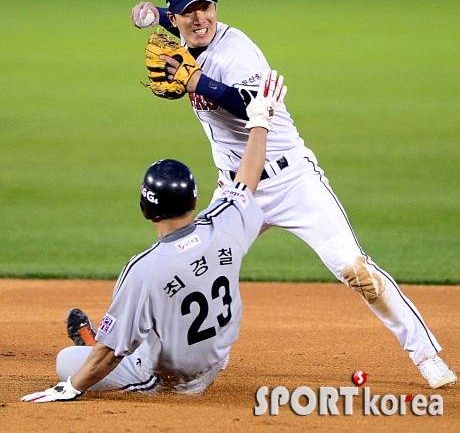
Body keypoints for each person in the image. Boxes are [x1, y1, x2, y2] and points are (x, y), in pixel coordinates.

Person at [128, 0, 456, 390]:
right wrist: (150, 14)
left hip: (292, 181)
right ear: (175, 18)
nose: (199, 18)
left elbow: (252, 106)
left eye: (205, 7)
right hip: (238, 189)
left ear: (216, 8)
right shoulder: (182, 33)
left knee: (354, 268)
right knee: (193, 268)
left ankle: (425, 355)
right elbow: (175, 21)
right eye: (188, 12)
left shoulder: (239, 51)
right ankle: (195, 354)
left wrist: (195, 80)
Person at [20, 71, 287, 402]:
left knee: (68, 361)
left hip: (172, 380)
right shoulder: (227, 223)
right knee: (154, 318)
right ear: (194, 200)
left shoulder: (144, 269)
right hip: (218, 360)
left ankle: (95, 345)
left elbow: (110, 354)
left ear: (146, 209)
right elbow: (247, 178)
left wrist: (71, 387)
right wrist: (260, 120)